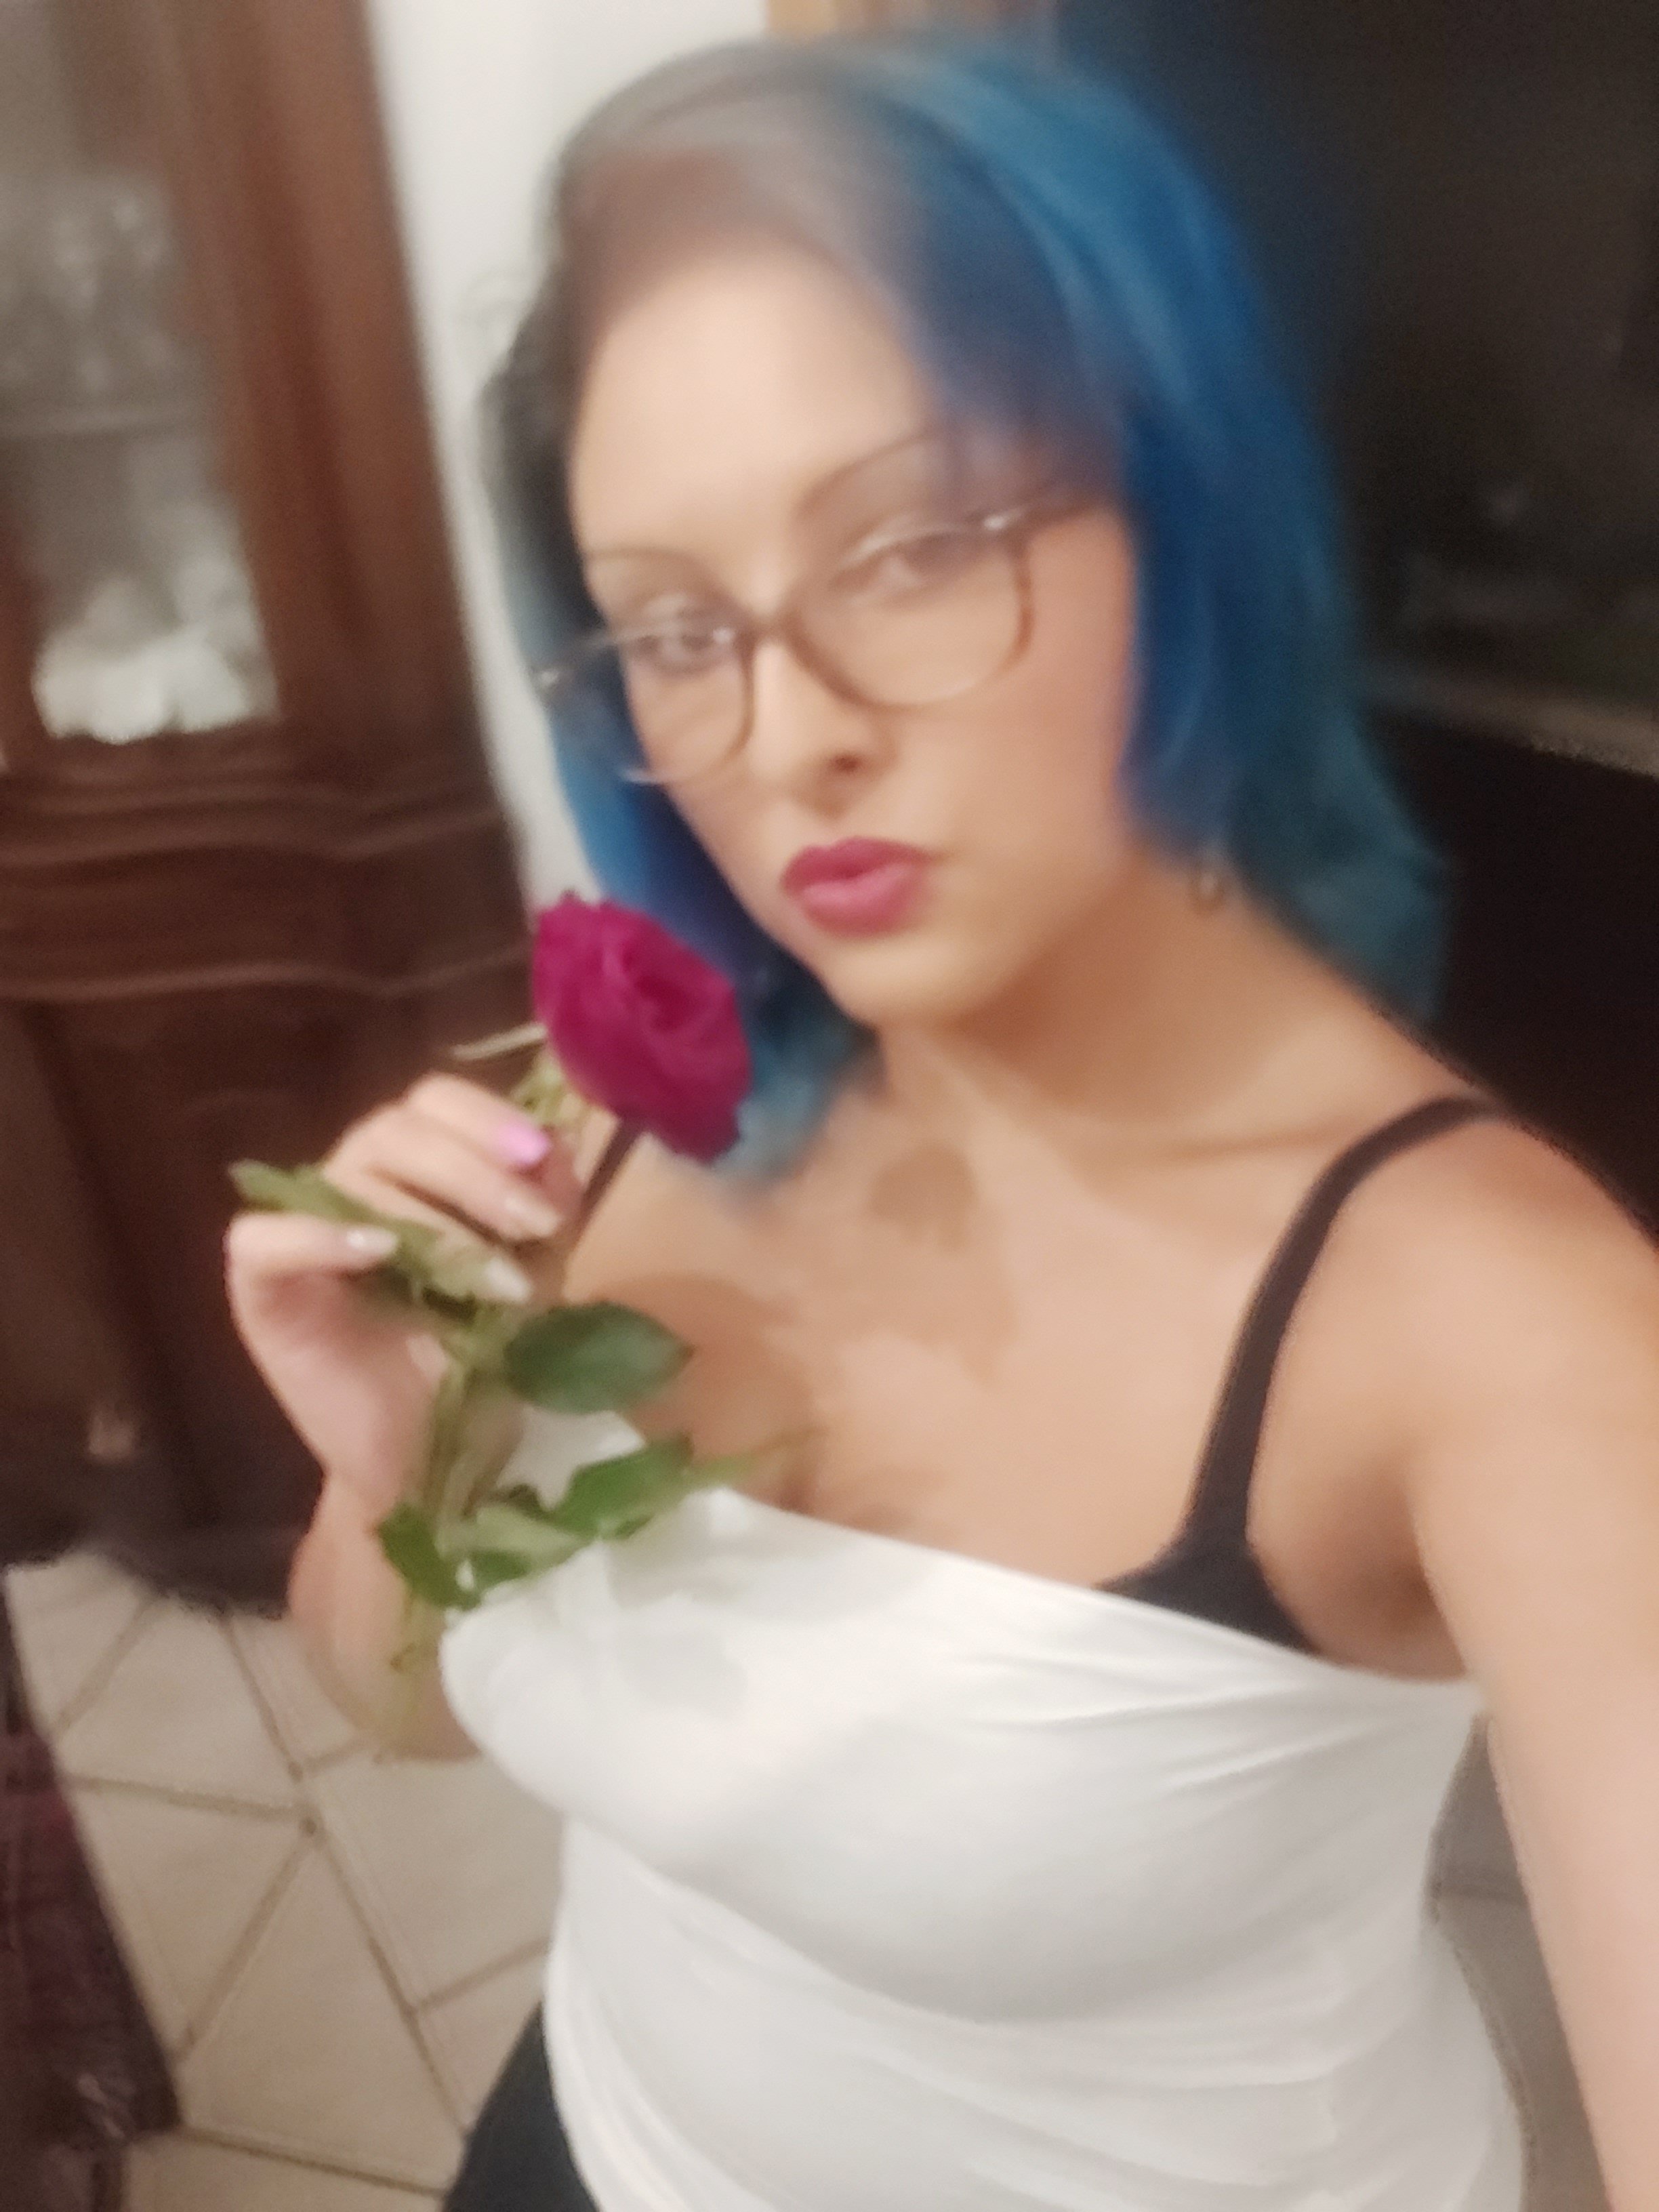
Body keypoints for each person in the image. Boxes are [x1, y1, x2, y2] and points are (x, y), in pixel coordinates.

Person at [225, 34, 1659, 2212]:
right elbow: (399, 1709)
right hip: (589, 2143)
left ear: (1184, 514)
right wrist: (390, 1463)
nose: (784, 736)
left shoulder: (1503, 1325)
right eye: (675, 625)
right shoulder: (628, 1096)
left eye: (906, 548)